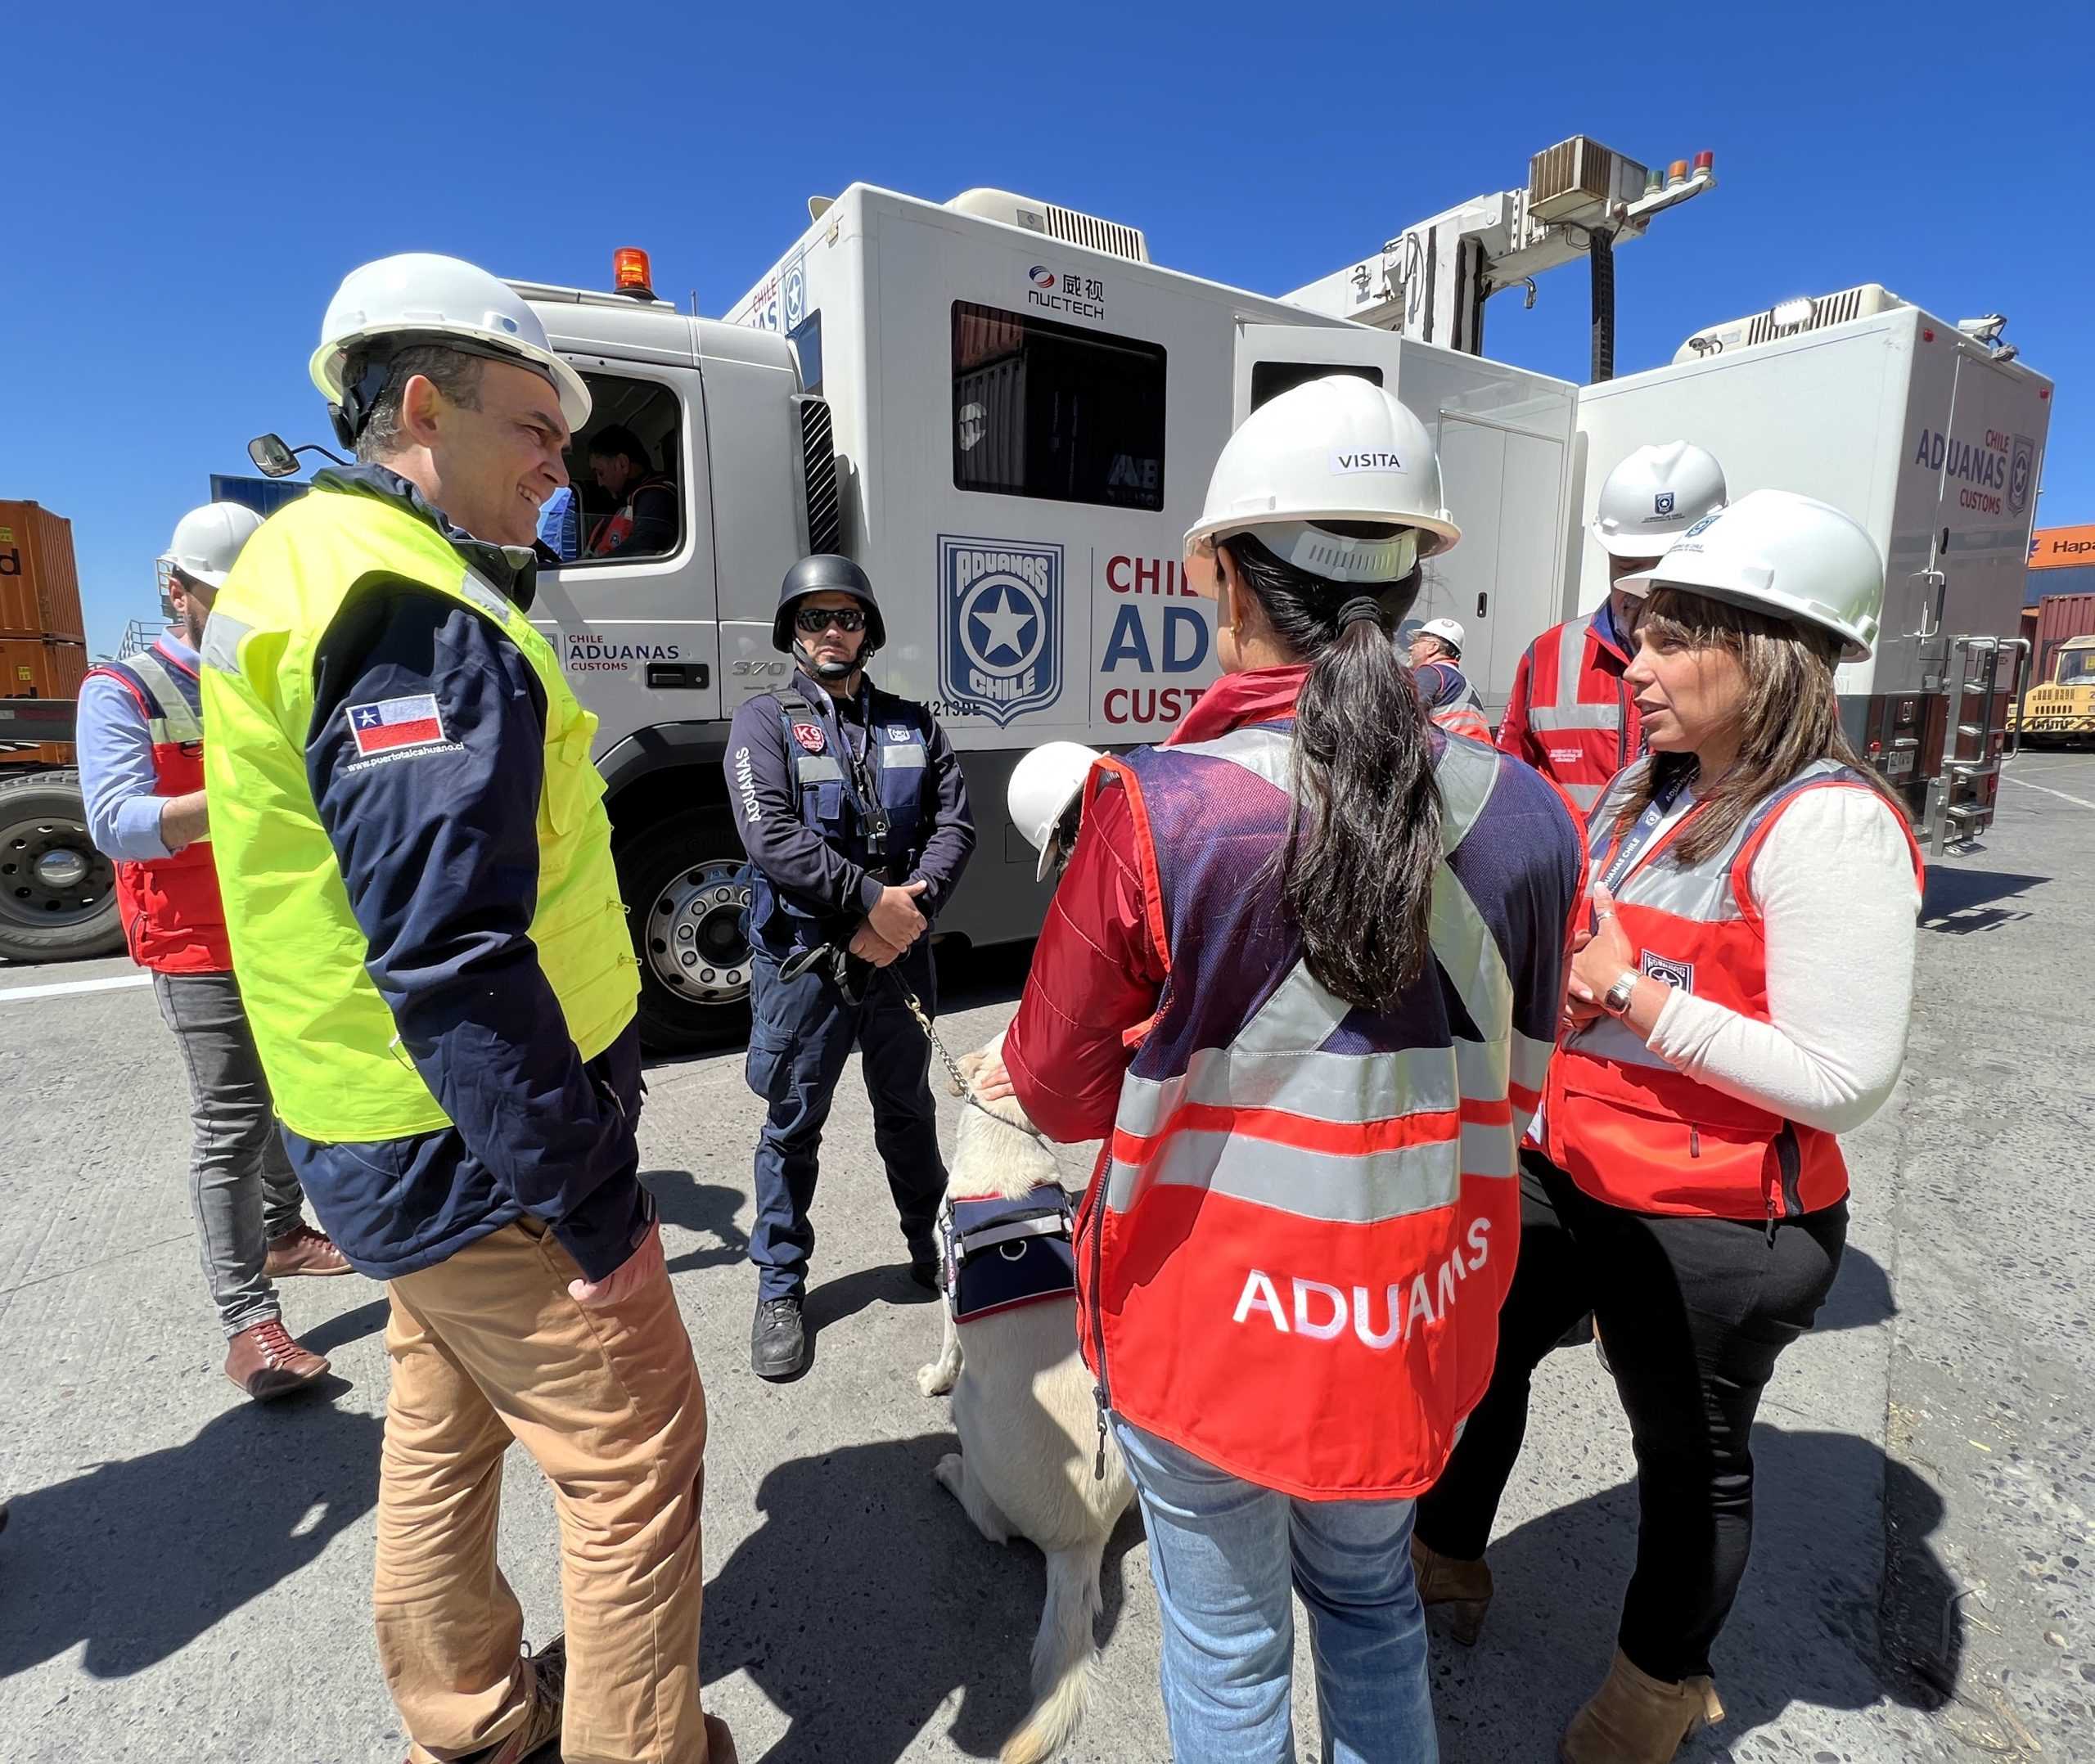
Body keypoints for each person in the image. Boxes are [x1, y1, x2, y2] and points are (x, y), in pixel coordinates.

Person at [983, 376, 1584, 1763]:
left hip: (1208, 1321)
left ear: (1216, 573)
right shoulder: (1535, 816)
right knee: (1372, 1599)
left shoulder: (1156, 812)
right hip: (1417, 1309)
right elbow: (1527, 1079)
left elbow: (1060, 1090)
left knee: (1228, 1641)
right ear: (1419, 562)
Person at [200, 253, 732, 1764]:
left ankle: (471, 1719)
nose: (562, 470)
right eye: (537, 431)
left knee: (442, 1427)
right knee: (636, 1459)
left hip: (374, 1135)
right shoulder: (414, 610)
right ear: (421, 406)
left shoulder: (304, 565)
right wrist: (599, 1211)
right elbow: (451, 957)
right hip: (472, 1147)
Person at [1412, 489, 1923, 1763]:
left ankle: (1652, 1694)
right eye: (1638, 632)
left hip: (1720, 1220)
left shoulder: (1831, 824)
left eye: (1669, 637)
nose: (1631, 664)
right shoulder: (1648, 793)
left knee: (1689, 1460)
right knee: (1475, 1357)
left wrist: (1633, 994)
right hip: (1569, 1162)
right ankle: (1443, 1550)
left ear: (1768, 655)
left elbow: (1843, 1075)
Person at [77, 503, 352, 1401]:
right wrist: (240, 792)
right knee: (232, 1120)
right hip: (197, 943)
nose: (243, 618)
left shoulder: (278, 673)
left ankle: (281, 1230)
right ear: (176, 587)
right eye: (222, 597)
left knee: (289, 1092)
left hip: (290, 927)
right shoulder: (122, 691)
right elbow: (117, 823)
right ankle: (248, 1320)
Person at [726, 554, 975, 1379]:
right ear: (791, 632)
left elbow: (954, 823)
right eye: (814, 618)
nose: (833, 632)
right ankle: (778, 1284)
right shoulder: (762, 723)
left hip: (899, 959)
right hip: (807, 964)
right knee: (793, 1127)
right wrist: (872, 900)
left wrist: (909, 909)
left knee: (907, 1110)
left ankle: (932, 1249)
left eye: (848, 618)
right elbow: (770, 838)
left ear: (869, 630)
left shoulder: (912, 721)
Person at [1498, 441, 1727, 812]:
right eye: (1629, 567)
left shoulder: (1752, 662)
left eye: (1668, 568)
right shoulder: (1549, 654)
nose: (1648, 589)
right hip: (1573, 869)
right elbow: (1509, 785)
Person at [584, 423, 678, 556]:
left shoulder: (656, 496)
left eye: (600, 473)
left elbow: (644, 545)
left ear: (622, 464)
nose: (599, 483)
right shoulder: (630, 501)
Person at [1404, 615, 1490, 740]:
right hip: (1475, 753)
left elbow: (1404, 715)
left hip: (1452, 753)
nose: (1410, 647)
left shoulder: (1431, 673)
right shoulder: (1461, 681)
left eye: (1417, 642)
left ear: (1433, 647)